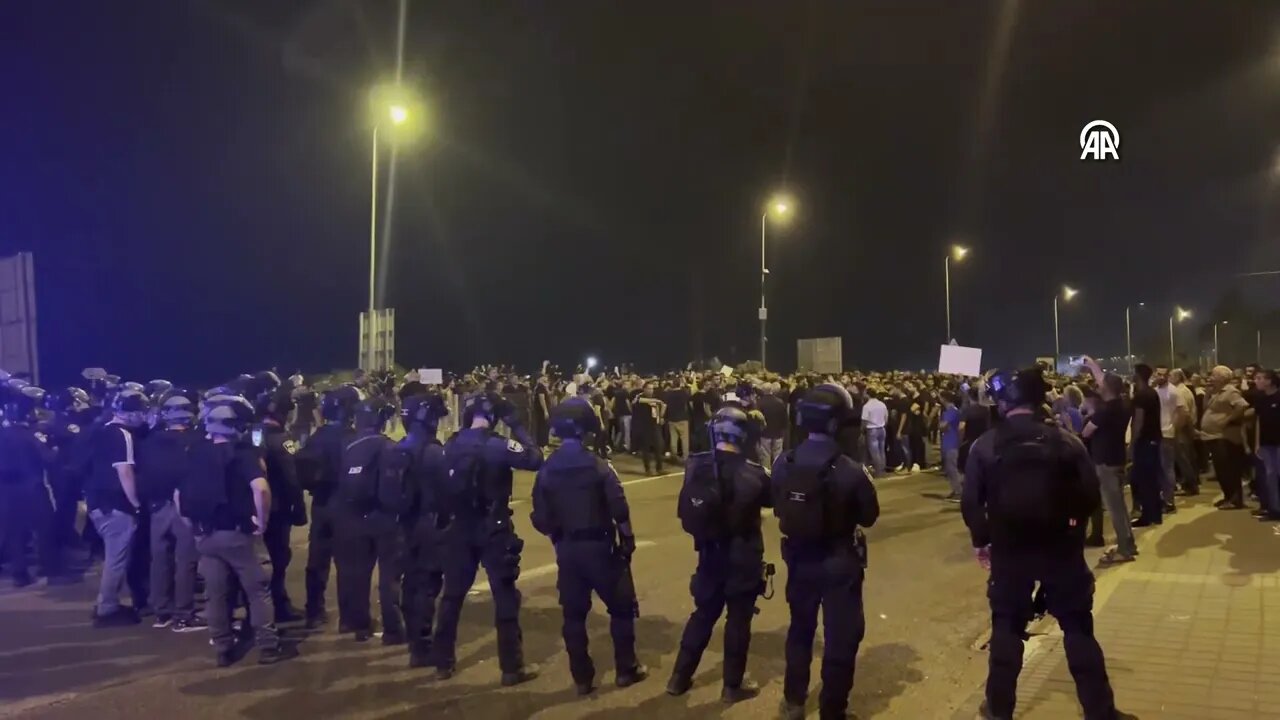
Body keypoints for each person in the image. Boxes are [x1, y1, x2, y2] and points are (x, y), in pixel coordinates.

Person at [962, 367, 1133, 720]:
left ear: (1004, 402)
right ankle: (1100, 712)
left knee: (1006, 630)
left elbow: (971, 502)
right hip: (1061, 553)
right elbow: (1089, 495)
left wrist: (982, 541)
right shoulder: (1066, 441)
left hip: (1009, 552)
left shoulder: (985, 445)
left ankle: (999, 710)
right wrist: (1072, 533)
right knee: (1078, 629)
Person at [771, 383, 880, 720]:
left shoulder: (783, 461)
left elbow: (778, 508)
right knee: (841, 635)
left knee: (800, 629)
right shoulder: (849, 468)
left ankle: (793, 701)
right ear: (836, 423)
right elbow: (869, 516)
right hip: (838, 560)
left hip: (798, 559)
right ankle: (833, 709)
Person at [530, 397, 647, 695]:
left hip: (568, 550)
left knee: (573, 616)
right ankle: (626, 669)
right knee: (621, 609)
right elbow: (618, 507)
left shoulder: (547, 469)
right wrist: (628, 541)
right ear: (584, 428)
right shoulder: (598, 465)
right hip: (601, 547)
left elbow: (540, 517)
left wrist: (558, 535)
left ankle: (582, 677)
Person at [432, 391, 544, 685]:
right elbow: (535, 458)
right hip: (492, 527)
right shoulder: (496, 445)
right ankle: (511, 668)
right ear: (494, 417)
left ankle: (442, 662)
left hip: (459, 528)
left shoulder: (452, 444)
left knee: (452, 596)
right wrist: (517, 425)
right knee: (504, 596)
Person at [668, 406, 772, 703]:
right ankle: (731, 686)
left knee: (703, 615)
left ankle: (679, 677)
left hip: (709, 555)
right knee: (738, 621)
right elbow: (772, 499)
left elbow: (684, 508)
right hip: (743, 558)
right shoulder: (753, 472)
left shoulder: (695, 465)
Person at [178, 395, 288, 666]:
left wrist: (190, 525)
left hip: (205, 535)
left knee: (215, 593)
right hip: (237, 535)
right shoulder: (242, 453)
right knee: (257, 590)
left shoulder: (195, 452)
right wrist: (261, 522)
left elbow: (179, 495)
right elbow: (260, 488)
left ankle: (223, 648)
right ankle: (268, 646)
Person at [334, 396, 407, 643]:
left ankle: (360, 625)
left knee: (358, 574)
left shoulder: (347, 445)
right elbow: (394, 487)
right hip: (384, 518)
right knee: (389, 577)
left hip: (354, 517)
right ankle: (393, 629)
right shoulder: (388, 446)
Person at [136, 388, 206, 631]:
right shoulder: (196, 441)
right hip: (182, 507)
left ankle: (162, 611)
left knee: (160, 560)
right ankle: (183, 614)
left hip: (157, 507)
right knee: (186, 560)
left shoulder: (149, 441)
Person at [85, 388, 150, 627]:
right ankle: (107, 608)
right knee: (116, 558)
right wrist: (135, 503)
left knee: (113, 557)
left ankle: (105, 602)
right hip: (115, 505)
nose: (143, 416)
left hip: (98, 503)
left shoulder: (102, 430)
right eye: (141, 411)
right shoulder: (122, 435)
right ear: (130, 412)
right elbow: (124, 471)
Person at [294, 385, 358, 629]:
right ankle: (349, 617)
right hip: (344, 504)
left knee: (317, 559)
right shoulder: (350, 437)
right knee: (348, 563)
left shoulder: (316, 437)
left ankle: (314, 611)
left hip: (320, 504)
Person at [397, 391, 450, 667]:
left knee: (410, 582)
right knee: (427, 586)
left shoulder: (399, 448)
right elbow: (447, 495)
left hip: (402, 526)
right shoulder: (433, 452)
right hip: (428, 525)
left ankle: (413, 641)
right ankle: (422, 647)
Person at [254, 386, 309, 623]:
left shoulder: (253, 434)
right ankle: (279, 607)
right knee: (278, 559)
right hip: (277, 509)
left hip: (255, 508)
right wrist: (299, 509)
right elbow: (291, 478)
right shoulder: (281, 439)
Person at [0, 386, 65, 587]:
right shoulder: (30, 435)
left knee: (14, 532)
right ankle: (52, 569)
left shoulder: (3, 434)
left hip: (7, 489)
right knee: (44, 528)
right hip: (33, 487)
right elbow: (49, 458)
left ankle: (20, 574)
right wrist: (54, 447)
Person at [1080, 361, 1137, 565]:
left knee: (1114, 508)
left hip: (1105, 462)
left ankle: (1124, 549)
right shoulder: (1122, 405)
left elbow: (1086, 432)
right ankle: (1129, 543)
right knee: (1120, 506)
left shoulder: (1106, 411)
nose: (1098, 386)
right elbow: (1104, 382)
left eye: (1101, 385)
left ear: (1106, 388)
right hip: (1117, 458)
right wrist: (1093, 365)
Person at [1200, 365, 1250, 510]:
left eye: (1214, 376)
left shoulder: (1230, 391)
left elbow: (1241, 406)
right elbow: (1207, 409)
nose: (1211, 378)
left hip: (1226, 437)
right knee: (1221, 470)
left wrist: (1227, 420)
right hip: (1213, 436)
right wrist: (1208, 394)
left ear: (1222, 378)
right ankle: (1228, 497)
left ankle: (1235, 499)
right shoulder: (1216, 392)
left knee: (1229, 470)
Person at [1129, 364, 1165, 526]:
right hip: (1154, 440)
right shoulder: (1152, 393)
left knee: (1143, 480)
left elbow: (1138, 421)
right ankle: (1155, 514)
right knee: (1152, 479)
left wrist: (1132, 444)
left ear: (1137, 375)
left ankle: (1147, 515)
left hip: (1145, 442)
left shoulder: (1141, 395)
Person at [1253, 368, 1280, 521]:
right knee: (1270, 476)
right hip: (1266, 444)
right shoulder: (1261, 398)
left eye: (1260, 378)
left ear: (1269, 381)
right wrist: (1257, 443)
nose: (1256, 381)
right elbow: (1258, 421)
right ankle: (1274, 509)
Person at [1168, 369, 1200, 496]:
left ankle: (1190, 485)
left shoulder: (1180, 392)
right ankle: (1191, 483)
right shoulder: (1184, 390)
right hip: (1185, 429)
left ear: (1177, 378)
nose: (1168, 378)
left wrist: (1176, 430)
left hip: (1182, 430)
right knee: (1186, 458)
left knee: (1183, 459)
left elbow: (1184, 414)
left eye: (1170, 375)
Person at [632, 382, 666, 475]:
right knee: (646, 448)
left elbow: (662, 406)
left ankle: (659, 468)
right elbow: (638, 401)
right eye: (649, 388)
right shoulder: (639, 396)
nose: (651, 390)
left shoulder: (654, 397)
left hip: (655, 425)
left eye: (652, 389)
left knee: (659, 446)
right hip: (644, 426)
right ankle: (648, 469)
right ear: (644, 389)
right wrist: (657, 401)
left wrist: (661, 416)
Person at [756, 383, 788, 468]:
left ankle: (767, 474)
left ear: (762, 391)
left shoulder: (759, 403)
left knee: (765, 455)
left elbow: (758, 419)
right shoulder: (780, 402)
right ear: (771, 390)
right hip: (778, 433)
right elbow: (785, 418)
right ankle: (777, 472)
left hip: (765, 433)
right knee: (777, 455)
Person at [939, 391, 963, 502]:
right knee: (951, 468)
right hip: (953, 442)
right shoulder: (955, 411)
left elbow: (942, 426)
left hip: (950, 443)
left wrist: (941, 425)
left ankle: (958, 492)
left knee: (952, 469)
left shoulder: (950, 412)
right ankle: (956, 490)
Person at [662, 377, 692, 461]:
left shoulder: (668, 394)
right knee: (684, 439)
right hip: (683, 418)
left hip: (671, 419)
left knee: (673, 439)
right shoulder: (684, 393)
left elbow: (665, 406)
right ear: (680, 384)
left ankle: (674, 456)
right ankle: (685, 457)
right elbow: (689, 404)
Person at [861, 389, 888, 477]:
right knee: (881, 450)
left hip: (872, 430)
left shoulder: (866, 406)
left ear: (868, 395)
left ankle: (878, 472)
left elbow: (864, 421)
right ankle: (882, 470)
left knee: (874, 452)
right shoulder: (882, 404)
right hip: (882, 428)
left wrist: (862, 431)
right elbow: (886, 417)